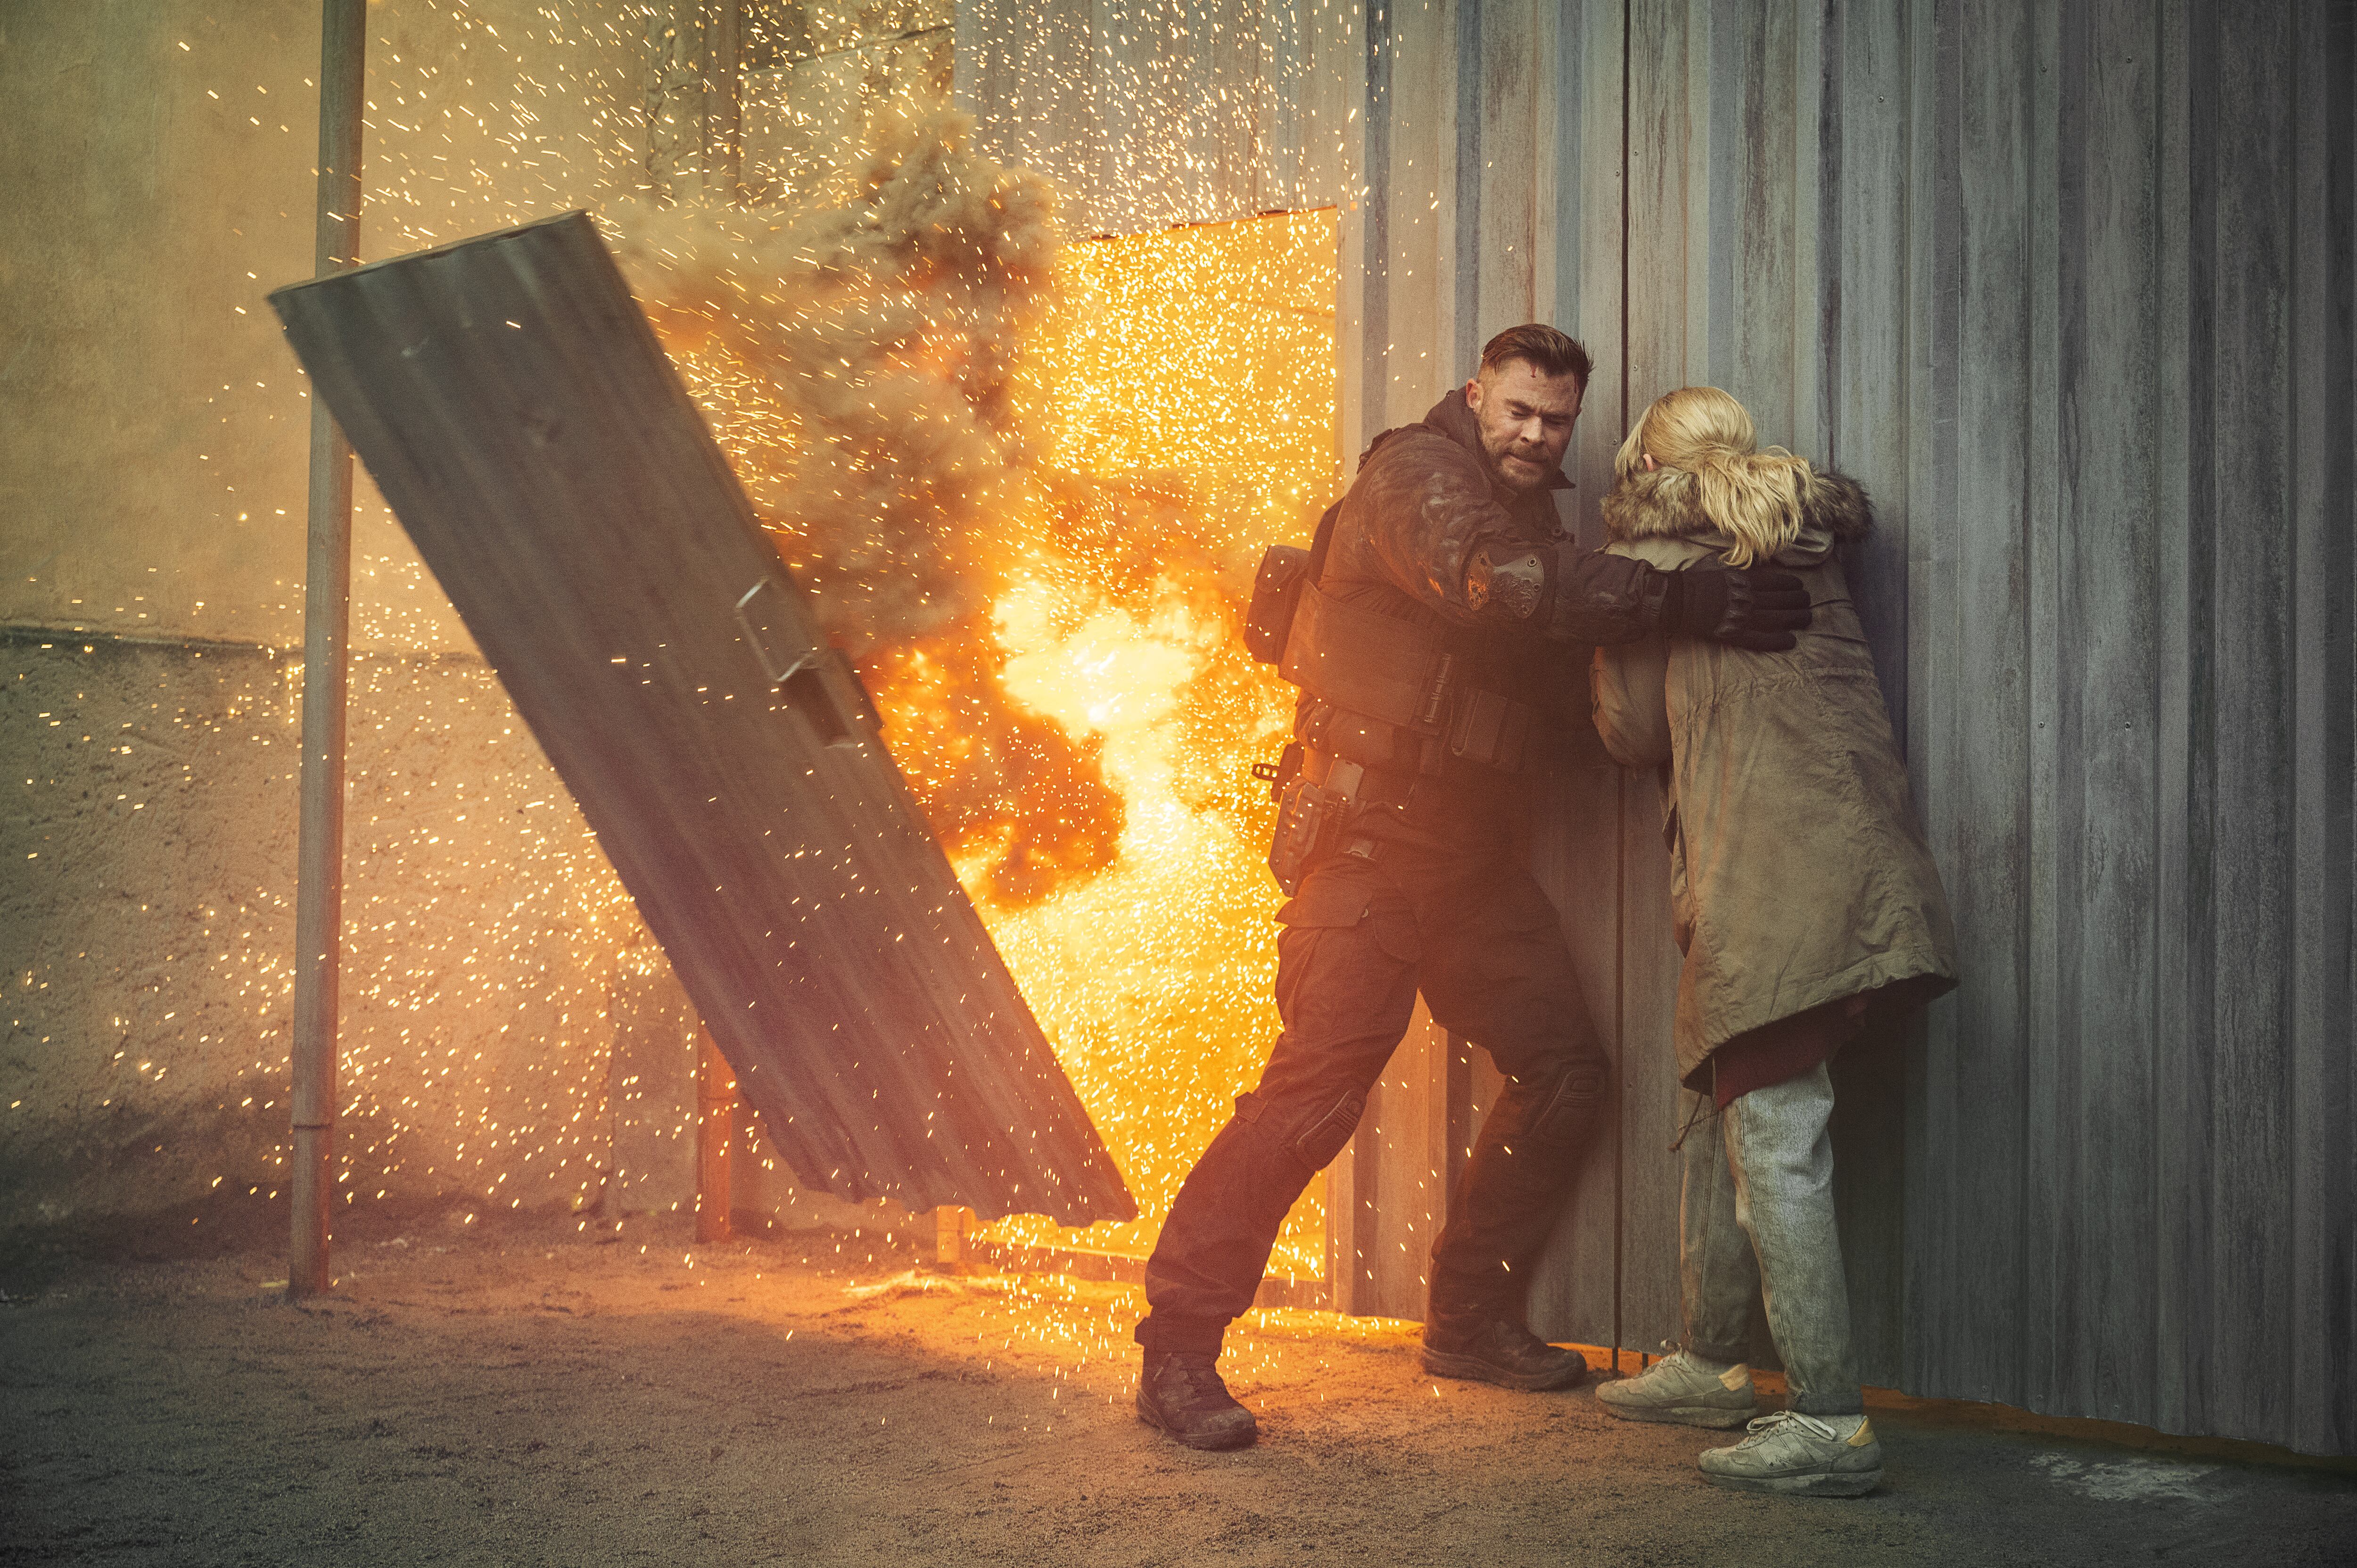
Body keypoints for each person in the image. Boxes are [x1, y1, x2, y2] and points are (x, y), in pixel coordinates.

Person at [1132, 328, 1817, 1451]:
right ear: (1475, 397)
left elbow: (1555, 681)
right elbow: (1499, 586)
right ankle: (1176, 1351)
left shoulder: (1536, 519)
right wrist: (1676, 604)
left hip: (1465, 862)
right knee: (1312, 1099)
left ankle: (1466, 1319)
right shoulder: (1417, 478)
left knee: (1565, 1074)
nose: (1536, 438)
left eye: (1555, 423)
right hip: (1362, 852)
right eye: (1517, 413)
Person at [1586, 386, 1957, 1496]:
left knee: (1778, 1143)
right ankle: (1709, 1361)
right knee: (1727, 1109)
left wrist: (1611, 628)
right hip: (1850, 867)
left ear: (1650, 458)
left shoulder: (1661, 552)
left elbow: (1629, 730)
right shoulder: (1797, 529)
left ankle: (1831, 1424)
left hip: (1771, 879)